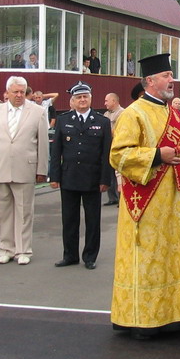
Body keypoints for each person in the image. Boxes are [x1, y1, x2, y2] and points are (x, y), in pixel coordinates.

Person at [109, 53, 180, 339]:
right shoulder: (133, 113)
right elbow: (118, 155)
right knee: (149, 259)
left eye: (171, 75)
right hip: (147, 202)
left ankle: (175, 315)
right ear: (150, 81)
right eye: (166, 76)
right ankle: (143, 319)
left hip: (176, 203)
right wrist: (156, 155)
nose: (171, 80)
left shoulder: (175, 115)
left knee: (175, 257)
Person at [0, 76, 50, 265]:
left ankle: (23, 250)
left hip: (25, 168)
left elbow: (43, 144)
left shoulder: (38, 112)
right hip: (0, 167)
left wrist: (42, 170)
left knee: (24, 212)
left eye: (22, 91)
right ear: (7, 93)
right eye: (15, 92)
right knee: (3, 213)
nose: (19, 95)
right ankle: (6, 249)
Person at [50, 82, 113, 269]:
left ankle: (90, 257)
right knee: (69, 219)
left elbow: (106, 154)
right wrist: (54, 176)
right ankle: (70, 255)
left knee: (93, 220)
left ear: (91, 99)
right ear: (72, 101)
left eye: (85, 96)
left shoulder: (102, 122)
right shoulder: (63, 120)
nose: (82, 100)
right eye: (78, 97)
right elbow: (56, 151)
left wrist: (105, 179)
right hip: (69, 177)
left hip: (93, 178)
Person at [102, 92, 124, 206]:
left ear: (114, 101)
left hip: (118, 145)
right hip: (108, 145)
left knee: (119, 172)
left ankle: (122, 199)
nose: (105, 103)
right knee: (109, 172)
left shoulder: (122, 113)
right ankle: (112, 198)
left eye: (107, 101)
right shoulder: (106, 114)